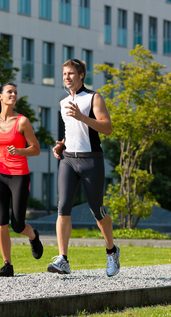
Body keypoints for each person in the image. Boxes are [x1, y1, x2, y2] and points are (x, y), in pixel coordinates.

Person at [48, 59, 120, 277]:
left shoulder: (93, 97)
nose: (67, 77)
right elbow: (72, 132)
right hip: (68, 160)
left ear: (81, 75)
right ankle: (63, 259)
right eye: (64, 74)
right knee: (63, 208)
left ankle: (111, 251)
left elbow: (107, 128)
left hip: (91, 160)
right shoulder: (62, 102)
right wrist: (61, 145)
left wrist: (82, 116)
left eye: (71, 73)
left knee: (97, 210)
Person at [0, 82, 44, 277]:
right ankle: (7, 265)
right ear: (0, 96)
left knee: (17, 225)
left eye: (15, 93)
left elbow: (36, 149)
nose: (13, 95)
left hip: (20, 176)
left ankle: (33, 236)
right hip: (0, 175)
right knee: (1, 222)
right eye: (9, 92)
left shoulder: (22, 122)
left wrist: (19, 151)